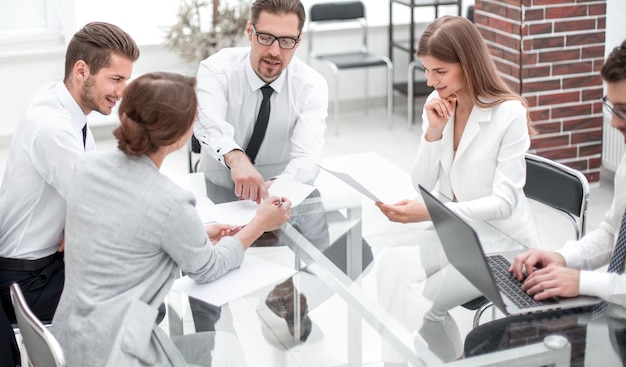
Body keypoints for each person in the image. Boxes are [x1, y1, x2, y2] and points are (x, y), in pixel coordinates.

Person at [51, 72, 291, 366]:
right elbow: (207, 269)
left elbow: (123, 236)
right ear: (179, 136)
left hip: (68, 341)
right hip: (118, 353)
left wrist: (193, 234)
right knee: (229, 349)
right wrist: (260, 224)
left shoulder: (87, 167)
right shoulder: (171, 201)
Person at [374, 15, 542, 364]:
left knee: (422, 308)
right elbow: (421, 185)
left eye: (440, 71)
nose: (431, 81)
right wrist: (433, 133)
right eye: (426, 70)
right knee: (388, 265)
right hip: (460, 232)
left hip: (503, 244)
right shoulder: (439, 104)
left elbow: (506, 202)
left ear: (467, 65)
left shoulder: (508, 114)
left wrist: (437, 212)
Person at [464, 39, 626, 366]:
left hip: (615, 311)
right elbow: (612, 232)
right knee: (483, 340)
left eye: (624, 110)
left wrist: (582, 281)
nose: (614, 122)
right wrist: (562, 257)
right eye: (612, 106)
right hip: (611, 299)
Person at [191, 0, 333, 340]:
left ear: (299, 41)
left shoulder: (311, 84)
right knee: (207, 277)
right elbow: (207, 125)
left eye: (287, 41)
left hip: (280, 188)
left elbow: (307, 157)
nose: (274, 51)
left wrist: (277, 191)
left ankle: (288, 295)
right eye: (266, 37)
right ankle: (214, 343)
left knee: (324, 253)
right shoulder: (217, 69)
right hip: (219, 183)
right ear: (249, 31)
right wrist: (237, 159)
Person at [0, 22, 139, 367]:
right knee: (142, 297)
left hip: (42, 263)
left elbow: (92, 189)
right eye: (115, 79)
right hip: (27, 279)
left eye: (126, 80)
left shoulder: (62, 105)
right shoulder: (53, 128)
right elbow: (103, 209)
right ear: (82, 70)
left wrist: (73, 222)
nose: (122, 91)